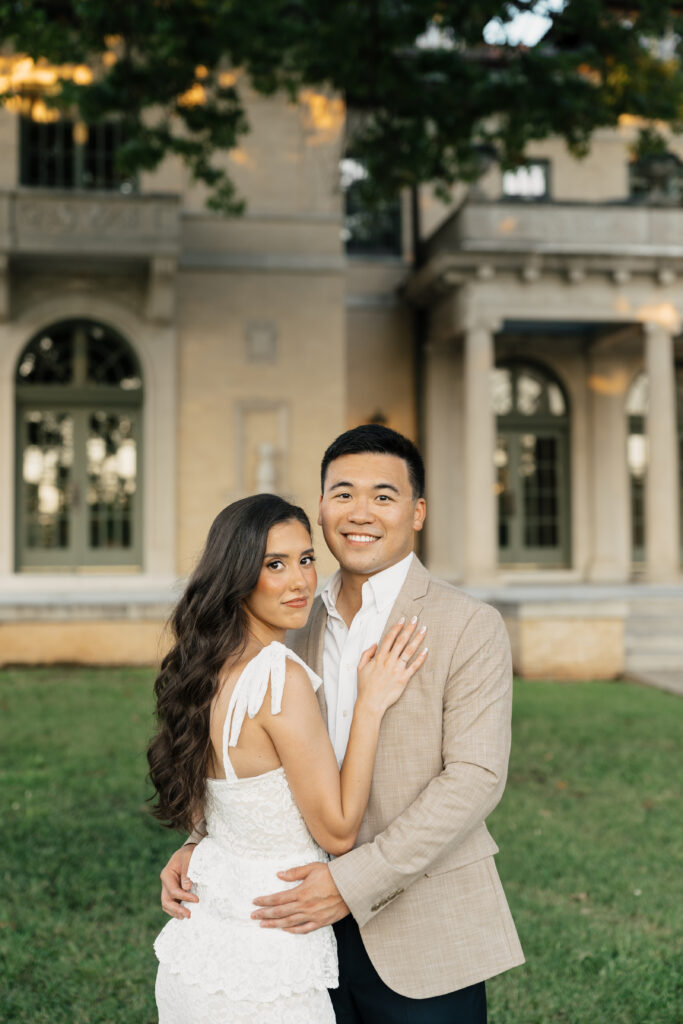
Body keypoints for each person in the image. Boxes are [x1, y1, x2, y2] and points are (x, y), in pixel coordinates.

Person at [162, 424, 525, 1023]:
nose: (361, 512)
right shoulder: (286, 618)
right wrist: (202, 844)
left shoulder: (468, 625)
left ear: (417, 512)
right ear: (323, 505)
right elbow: (260, 760)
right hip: (292, 933)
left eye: (384, 496)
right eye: (343, 493)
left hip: (420, 926)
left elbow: (475, 779)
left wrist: (350, 882)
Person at [148, 492, 427, 1024]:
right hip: (269, 958)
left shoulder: (204, 669)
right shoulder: (280, 675)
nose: (299, 581)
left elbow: (225, 803)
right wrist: (370, 704)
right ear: (236, 576)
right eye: (274, 565)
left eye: (305, 559)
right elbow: (339, 831)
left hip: (201, 947)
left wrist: (191, 843)